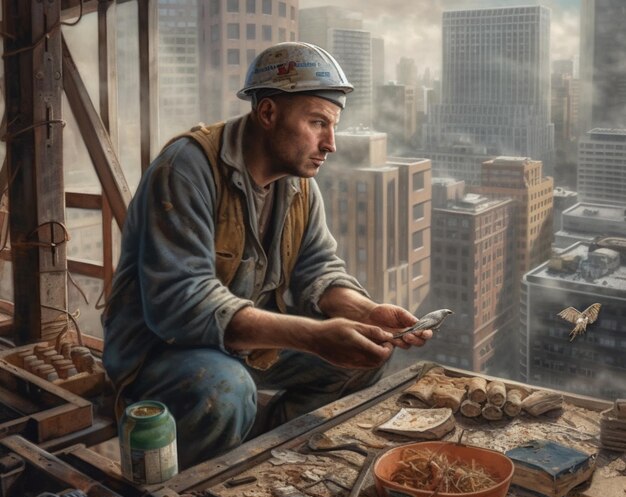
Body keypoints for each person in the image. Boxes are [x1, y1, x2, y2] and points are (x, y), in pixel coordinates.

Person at [102, 42, 432, 469]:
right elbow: (181, 307)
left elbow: (318, 269)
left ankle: (261, 456)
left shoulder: (298, 185)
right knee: (225, 388)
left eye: (332, 126)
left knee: (359, 360)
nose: (330, 143)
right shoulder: (185, 169)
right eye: (317, 123)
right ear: (268, 113)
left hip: (244, 347)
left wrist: (368, 312)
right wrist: (315, 336)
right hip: (161, 354)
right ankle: (194, 495)